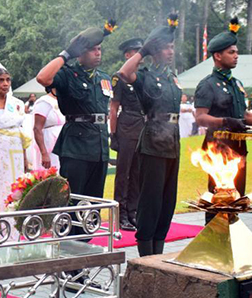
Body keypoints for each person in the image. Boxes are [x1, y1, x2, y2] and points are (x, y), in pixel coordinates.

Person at [194, 18, 252, 220]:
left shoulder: (236, 83)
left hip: (239, 148)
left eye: (236, 52)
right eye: (231, 52)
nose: (237, 56)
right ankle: (215, 245)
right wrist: (225, 122)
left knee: (236, 201)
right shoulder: (207, 84)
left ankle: (233, 243)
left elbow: (243, 116)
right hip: (218, 149)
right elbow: (200, 118)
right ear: (217, 56)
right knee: (219, 203)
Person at [36, 20, 116, 238]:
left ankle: (84, 252)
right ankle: (69, 260)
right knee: (72, 203)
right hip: (76, 148)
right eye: (92, 49)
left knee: (93, 206)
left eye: (99, 49)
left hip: (99, 148)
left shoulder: (104, 79)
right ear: (80, 53)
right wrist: (66, 54)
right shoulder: (67, 74)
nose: (98, 53)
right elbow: (42, 78)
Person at [116, 14, 182, 256]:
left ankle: (159, 253)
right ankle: (146, 257)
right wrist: (143, 50)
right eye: (166, 47)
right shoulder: (145, 75)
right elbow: (124, 73)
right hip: (152, 142)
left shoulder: (170, 77)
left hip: (172, 142)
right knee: (151, 201)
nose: (170, 51)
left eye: (172, 46)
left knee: (167, 202)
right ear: (155, 50)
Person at [0, 68, 30, 240]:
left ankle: (13, 234)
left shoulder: (15, 104)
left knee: (15, 190)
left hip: (15, 153)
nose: (5, 84)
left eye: (8, 80)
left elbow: (21, 132)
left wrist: (25, 159)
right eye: (1, 80)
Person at [110, 38, 145, 232]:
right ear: (127, 55)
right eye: (135, 52)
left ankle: (133, 212)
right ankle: (120, 214)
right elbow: (114, 108)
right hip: (126, 127)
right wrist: (113, 134)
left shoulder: (142, 76)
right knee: (123, 174)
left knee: (138, 173)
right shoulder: (119, 77)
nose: (139, 56)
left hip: (141, 126)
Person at [33, 88, 65, 170]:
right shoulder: (44, 102)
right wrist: (44, 153)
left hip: (64, 142)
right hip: (49, 143)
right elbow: (37, 128)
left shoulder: (65, 99)